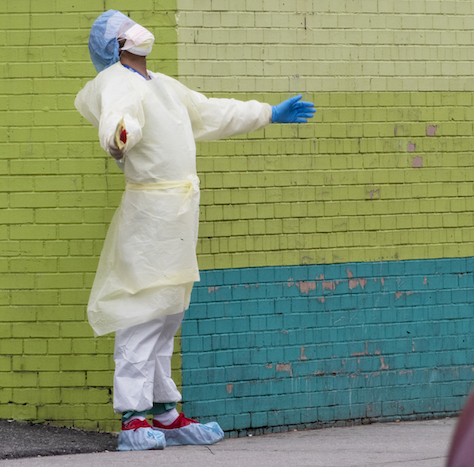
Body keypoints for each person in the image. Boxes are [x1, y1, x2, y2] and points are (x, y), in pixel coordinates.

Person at [74, 10, 316, 451]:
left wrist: (266, 113)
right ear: (116, 46)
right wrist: (118, 136)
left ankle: (164, 411)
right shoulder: (116, 81)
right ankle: (132, 416)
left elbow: (210, 112)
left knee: (168, 314)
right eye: (123, 27)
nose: (134, 27)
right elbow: (118, 119)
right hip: (150, 214)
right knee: (141, 311)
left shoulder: (163, 85)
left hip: (178, 213)